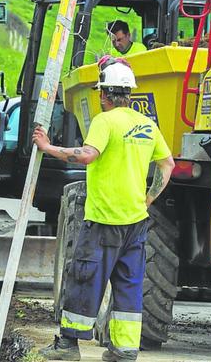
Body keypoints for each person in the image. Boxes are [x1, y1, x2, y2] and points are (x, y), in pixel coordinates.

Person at [35, 56, 175, 362]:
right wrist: (149, 199)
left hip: (103, 221)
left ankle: (68, 345)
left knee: (85, 278)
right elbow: (167, 165)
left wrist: (48, 148)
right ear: (130, 93)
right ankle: (123, 351)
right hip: (136, 222)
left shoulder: (104, 121)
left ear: (103, 94)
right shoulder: (147, 125)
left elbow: (86, 155)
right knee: (129, 286)